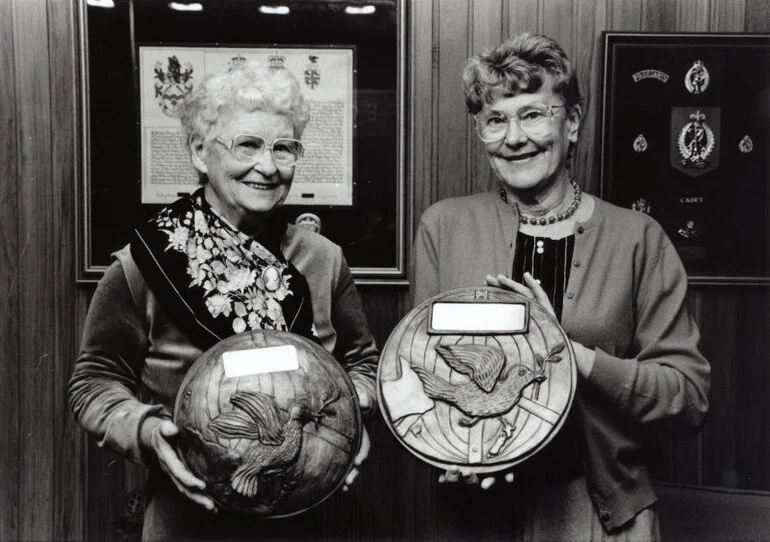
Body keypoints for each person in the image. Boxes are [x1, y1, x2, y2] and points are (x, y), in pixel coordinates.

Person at [411, 33, 710, 541]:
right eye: (495, 120)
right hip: (477, 508)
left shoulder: (637, 239)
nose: (514, 136)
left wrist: (573, 355)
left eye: (533, 115)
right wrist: (447, 446)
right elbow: (425, 372)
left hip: (596, 510)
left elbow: (688, 398)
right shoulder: (444, 228)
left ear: (571, 123)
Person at [69, 60, 378, 541]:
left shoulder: (322, 259)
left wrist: (349, 420)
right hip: (188, 517)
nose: (268, 166)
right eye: (247, 145)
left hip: (308, 515)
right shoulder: (144, 263)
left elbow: (361, 362)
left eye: (284, 148)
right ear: (198, 151)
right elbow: (93, 384)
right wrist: (148, 432)